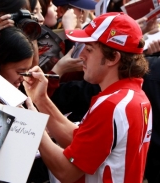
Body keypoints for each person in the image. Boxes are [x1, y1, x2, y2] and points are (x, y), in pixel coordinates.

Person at [23, 12, 152, 182]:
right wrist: (41, 100)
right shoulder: (132, 95)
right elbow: (79, 140)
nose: (81, 55)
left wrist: (32, 125)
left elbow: (66, 172)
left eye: (89, 49)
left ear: (113, 57)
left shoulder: (112, 105)